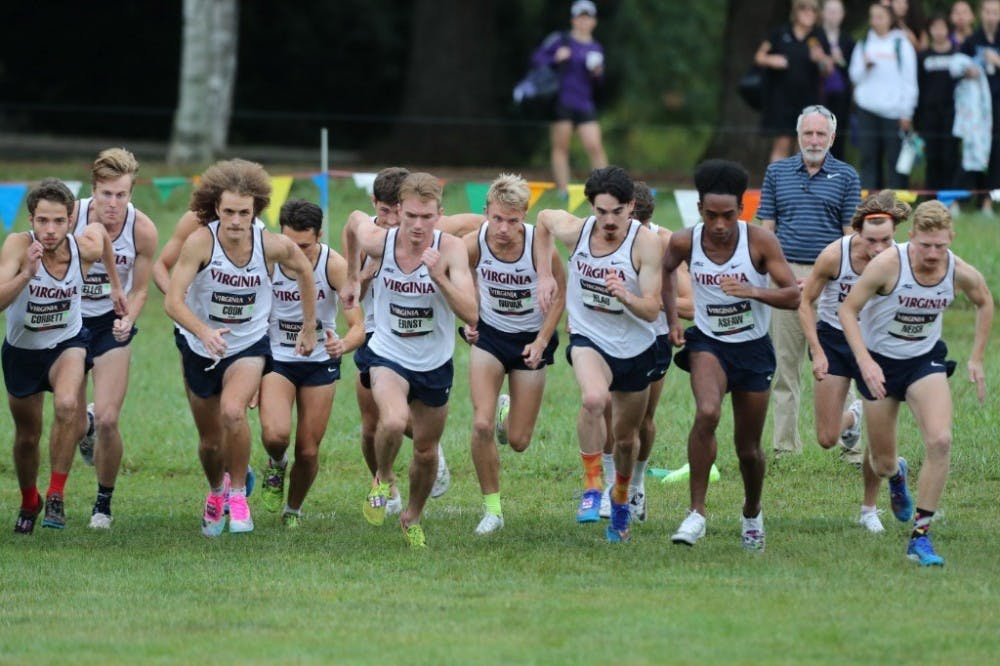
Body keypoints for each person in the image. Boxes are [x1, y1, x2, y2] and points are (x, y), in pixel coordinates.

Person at [164, 159, 317, 537]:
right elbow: (172, 300)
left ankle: (237, 495)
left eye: (243, 213)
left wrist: (309, 325)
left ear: (256, 211)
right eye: (228, 211)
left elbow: (305, 271)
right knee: (210, 441)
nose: (235, 220)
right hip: (199, 346)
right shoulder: (201, 242)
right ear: (217, 208)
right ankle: (215, 491)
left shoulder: (271, 244)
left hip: (248, 344)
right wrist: (202, 331)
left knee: (234, 412)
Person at [839, 200, 992, 566]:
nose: (933, 254)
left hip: (924, 360)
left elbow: (984, 301)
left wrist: (976, 358)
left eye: (941, 245)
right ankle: (898, 474)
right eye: (925, 245)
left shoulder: (957, 269)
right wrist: (864, 362)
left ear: (951, 239)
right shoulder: (888, 265)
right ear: (912, 238)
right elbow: (847, 309)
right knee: (883, 463)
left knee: (940, 440)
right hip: (880, 364)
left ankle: (920, 538)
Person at [663, 160, 800, 551]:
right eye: (710, 215)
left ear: (742, 208)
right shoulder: (684, 241)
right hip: (708, 343)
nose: (719, 225)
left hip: (754, 349)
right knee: (707, 412)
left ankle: (752, 511)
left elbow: (793, 295)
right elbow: (667, 271)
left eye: (727, 215)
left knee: (748, 450)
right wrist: (673, 319)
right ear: (700, 209)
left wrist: (752, 291)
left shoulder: (759, 242)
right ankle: (696, 514)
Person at [341, 172, 478, 548]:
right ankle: (383, 476)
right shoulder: (379, 241)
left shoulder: (450, 250)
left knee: (425, 450)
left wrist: (440, 278)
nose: (418, 226)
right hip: (387, 351)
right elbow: (354, 222)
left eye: (427, 217)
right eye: (411, 216)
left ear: (439, 215)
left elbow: (472, 313)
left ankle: (412, 515)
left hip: (434, 362)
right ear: (398, 211)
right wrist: (353, 277)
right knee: (393, 420)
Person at [535, 165, 662, 544]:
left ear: (631, 206)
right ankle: (592, 488)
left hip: (636, 348)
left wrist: (626, 296)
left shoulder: (646, 244)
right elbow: (542, 219)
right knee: (593, 399)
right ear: (591, 206)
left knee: (626, 440)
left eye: (617, 212)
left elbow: (653, 310)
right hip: (590, 338)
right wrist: (545, 273)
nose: (608, 221)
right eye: (601, 211)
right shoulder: (577, 230)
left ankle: (621, 499)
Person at [1, 179, 125, 533]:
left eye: (58, 221)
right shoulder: (17, 246)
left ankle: (56, 493)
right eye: (42, 221)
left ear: (71, 220)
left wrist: (115, 285)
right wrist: (26, 273)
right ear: (31, 219)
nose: (50, 230)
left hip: (66, 343)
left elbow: (101, 235)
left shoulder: (82, 246)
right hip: (23, 352)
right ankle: (29, 500)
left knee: (68, 405)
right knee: (27, 436)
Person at [460, 174, 565, 535]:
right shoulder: (474, 242)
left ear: (524, 216)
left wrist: (541, 341)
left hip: (529, 342)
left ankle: (508, 415)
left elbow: (561, 296)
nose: (503, 228)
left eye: (513, 220)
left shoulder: (540, 246)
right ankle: (492, 510)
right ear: (486, 211)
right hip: (489, 337)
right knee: (480, 424)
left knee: (518, 441)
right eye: (497, 218)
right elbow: (454, 273)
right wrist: (468, 317)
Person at [757, 104, 861, 459]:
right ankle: (784, 447)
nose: (814, 140)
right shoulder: (776, 173)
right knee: (785, 366)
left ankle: (852, 444)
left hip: (832, 280)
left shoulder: (847, 176)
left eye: (821, 134)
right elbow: (765, 232)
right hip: (785, 278)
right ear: (798, 136)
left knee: (841, 364)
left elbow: (851, 237)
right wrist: (779, 277)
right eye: (808, 134)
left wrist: (833, 280)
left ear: (832, 138)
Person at [258, 200, 364, 527]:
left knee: (308, 450)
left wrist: (341, 345)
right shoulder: (268, 261)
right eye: (290, 243)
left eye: (305, 245)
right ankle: (276, 463)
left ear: (319, 235)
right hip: (278, 358)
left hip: (319, 363)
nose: (297, 252)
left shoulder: (333, 266)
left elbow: (358, 326)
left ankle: (293, 509)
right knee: (276, 434)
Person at [71, 148, 158, 529]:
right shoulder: (70, 215)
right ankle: (82, 426)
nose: (113, 203)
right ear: (94, 190)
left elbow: (140, 290)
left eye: (121, 195)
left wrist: (129, 318)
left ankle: (102, 504)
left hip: (110, 324)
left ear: (131, 193)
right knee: (72, 424)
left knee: (109, 418)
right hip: (69, 323)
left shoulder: (142, 229)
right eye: (106, 194)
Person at [798, 191, 910, 486]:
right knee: (826, 438)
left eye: (886, 240)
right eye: (871, 240)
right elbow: (805, 301)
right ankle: (856, 415)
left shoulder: (900, 259)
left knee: (876, 434)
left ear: (894, 233)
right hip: (834, 339)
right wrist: (817, 350)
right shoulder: (836, 255)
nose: (879, 248)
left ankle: (869, 509)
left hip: (875, 344)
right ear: (857, 230)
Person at [597, 182, 694, 524]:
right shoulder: (601, 233)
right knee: (607, 412)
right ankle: (611, 487)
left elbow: (692, 305)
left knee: (642, 421)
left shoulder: (665, 242)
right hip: (609, 335)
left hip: (652, 340)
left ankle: (637, 484)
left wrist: (652, 303)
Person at [531, 0, 607, 198]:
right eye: (580, 17)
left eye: (587, 17)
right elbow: (537, 58)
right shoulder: (561, 40)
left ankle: (606, 188)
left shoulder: (596, 47)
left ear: (594, 21)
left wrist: (597, 73)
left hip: (585, 103)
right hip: (562, 101)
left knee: (595, 146)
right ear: (573, 20)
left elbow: (599, 82)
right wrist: (556, 57)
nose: (584, 21)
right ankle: (563, 190)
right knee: (561, 147)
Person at [849, 2, 919, 190]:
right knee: (868, 157)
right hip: (867, 109)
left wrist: (907, 112)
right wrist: (864, 66)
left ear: (890, 19)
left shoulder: (901, 44)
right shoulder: (864, 44)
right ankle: (870, 203)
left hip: (894, 112)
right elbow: (854, 76)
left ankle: (897, 203)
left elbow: (910, 81)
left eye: (880, 17)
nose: (876, 21)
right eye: (873, 17)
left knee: (895, 160)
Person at [754, 0, 828, 163]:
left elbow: (828, 69)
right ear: (795, 11)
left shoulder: (818, 36)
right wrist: (771, 59)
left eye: (813, 10)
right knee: (782, 142)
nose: (808, 12)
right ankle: (777, 184)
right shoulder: (780, 33)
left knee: (805, 145)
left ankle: (801, 186)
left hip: (809, 100)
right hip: (782, 98)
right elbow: (759, 56)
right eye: (804, 8)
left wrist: (820, 59)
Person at [960, 0, 1000, 217]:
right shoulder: (971, 40)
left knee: (996, 155)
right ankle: (964, 199)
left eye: (995, 12)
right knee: (973, 152)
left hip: (998, 107)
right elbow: (957, 67)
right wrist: (967, 72)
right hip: (976, 109)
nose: (991, 16)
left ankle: (987, 202)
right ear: (981, 14)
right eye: (987, 11)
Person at [917, 13, 962, 192]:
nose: (939, 32)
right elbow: (918, 85)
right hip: (929, 113)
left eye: (942, 27)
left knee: (951, 155)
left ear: (948, 30)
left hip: (952, 112)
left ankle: (951, 197)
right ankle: (932, 196)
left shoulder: (958, 54)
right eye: (934, 27)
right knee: (933, 156)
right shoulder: (923, 56)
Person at [817, 0, 856, 160]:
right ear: (823, 13)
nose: (833, 15)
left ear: (843, 15)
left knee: (838, 138)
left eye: (837, 11)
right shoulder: (815, 37)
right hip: (818, 96)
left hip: (841, 99)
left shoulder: (848, 40)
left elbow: (854, 71)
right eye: (830, 10)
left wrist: (841, 61)